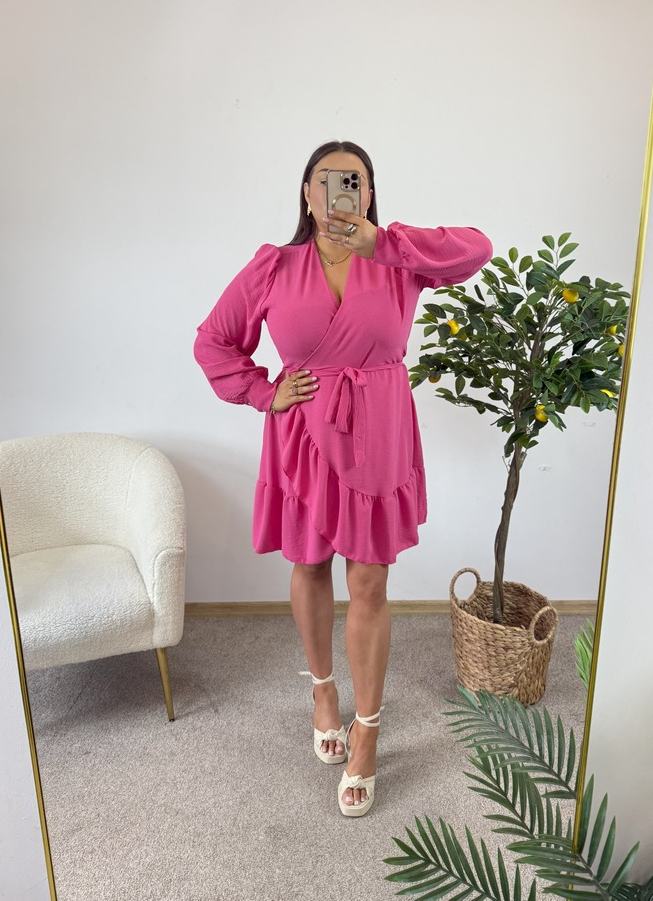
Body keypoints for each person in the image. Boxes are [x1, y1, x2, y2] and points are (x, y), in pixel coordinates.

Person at [194, 140, 492, 817]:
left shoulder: (399, 260)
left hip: (377, 433)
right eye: (325, 181)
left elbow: (477, 249)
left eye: (353, 181)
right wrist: (262, 391)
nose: (338, 192)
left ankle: (368, 729)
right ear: (306, 194)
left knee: (369, 581)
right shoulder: (273, 265)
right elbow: (213, 341)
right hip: (301, 436)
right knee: (308, 565)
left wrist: (381, 242)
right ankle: (323, 690)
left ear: (369, 193)